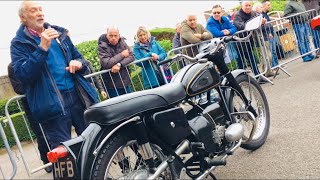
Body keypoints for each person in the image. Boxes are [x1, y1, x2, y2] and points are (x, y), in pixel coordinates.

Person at [10, 1, 99, 149]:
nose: (40, 13)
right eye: (33, 11)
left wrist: (78, 63)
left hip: (78, 97)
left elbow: (82, 60)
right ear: (23, 18)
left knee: (93, 146)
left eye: (40, 9)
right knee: (65, 156)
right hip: (51, 105)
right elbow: (23, 75)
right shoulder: (18, 43)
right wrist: (42, 48)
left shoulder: (60, 34)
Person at [7, 63, 52, 173]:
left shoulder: (33, 60)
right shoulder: (12, 67)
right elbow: (18, 88)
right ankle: (46, 160)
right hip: (31, 106)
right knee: (41, 135)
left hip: (46, 100)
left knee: (53, 130)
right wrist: (34, 87)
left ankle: (58, 157)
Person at [98, 27, 134, 98]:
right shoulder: (102, 46)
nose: (113, 38)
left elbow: (132, 56)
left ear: (119, 35)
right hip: (111, 85)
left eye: (115, 35)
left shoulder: (122, 42)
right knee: (118, 107)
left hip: (125, 81)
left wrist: (119, 64)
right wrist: (122, 55)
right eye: (111, 36)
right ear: (107, 35)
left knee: (130, 104)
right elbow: (107, 63)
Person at [233, 1, 264, 76]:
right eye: (246, 5)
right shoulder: (237, 15)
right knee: (241, 63)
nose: (248, 7)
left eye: (249, 5)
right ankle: (241, 79)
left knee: (252, 60)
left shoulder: (253, 13)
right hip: (240, 42)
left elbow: (259, 19)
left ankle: (258, 76)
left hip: (249, 41)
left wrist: (262, 22)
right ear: (242, 6)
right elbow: (242, 26)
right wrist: (255, 24)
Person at [261, 0, 280, 76]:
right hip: (267, 36)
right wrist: (269, 32)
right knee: (270, 53)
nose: (270, 6)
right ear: (264, 6)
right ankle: (273, 68)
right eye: (268, 5)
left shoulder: (266, 14)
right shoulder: (261, 15)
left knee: (274, 51)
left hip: (271, 34)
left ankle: (276, 67)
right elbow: (264, 25)